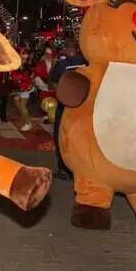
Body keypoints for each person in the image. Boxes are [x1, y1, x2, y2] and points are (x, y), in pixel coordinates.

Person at [49, 39, 87, 180]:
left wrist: (53, 66)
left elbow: (52, 85)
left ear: (65, 49)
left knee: (61, 137)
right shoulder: (86, 63)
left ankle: (63, 169)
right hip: (83, 106)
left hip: (65, 107)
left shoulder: (62, 65)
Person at [10, 54, 34, 132]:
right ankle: (25, 121)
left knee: (23, 106)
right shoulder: (14, 67)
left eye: (25, 59)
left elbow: (30, 78)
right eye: (22, 58)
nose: (24, 60)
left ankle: (28, 123)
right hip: (17, 89)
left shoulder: (27, 68)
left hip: (26, 88)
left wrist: (26, 82)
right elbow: (13, 78)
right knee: (19, 107)